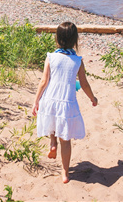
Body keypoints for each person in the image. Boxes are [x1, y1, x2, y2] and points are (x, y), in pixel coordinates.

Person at [32, 21, 98, 183]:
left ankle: (52, 143)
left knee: (52, 122)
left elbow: (43, 81)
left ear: (57, 39)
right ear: (75, 40)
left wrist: (36, 101)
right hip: (67, 102)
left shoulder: (51, 57)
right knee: (66, 139)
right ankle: (65, 173)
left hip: (49, 99)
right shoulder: (77, 60)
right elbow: (84, 84)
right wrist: (92, 98)